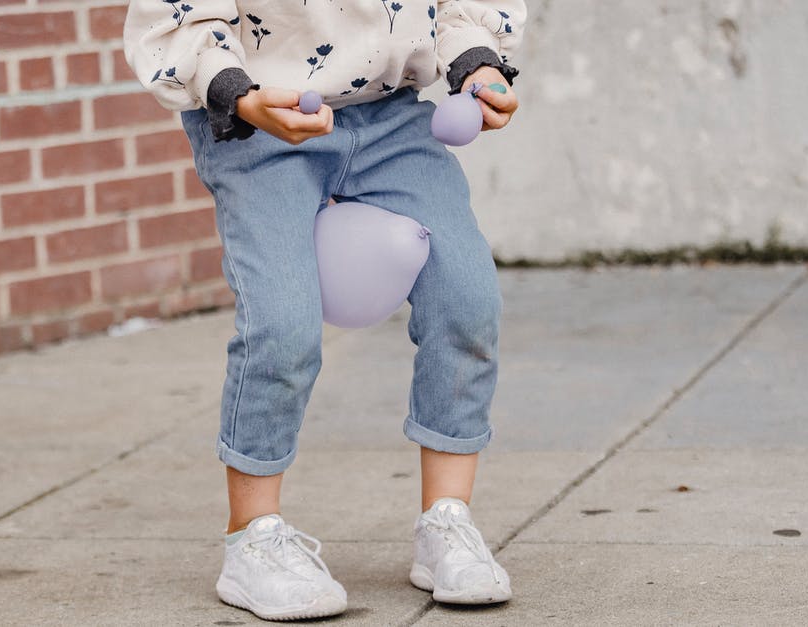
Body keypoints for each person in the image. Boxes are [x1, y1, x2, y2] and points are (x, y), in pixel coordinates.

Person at [123, 1, 526, 620]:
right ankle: (251, 540)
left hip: (393, 118)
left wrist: (476, 65)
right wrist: (238, 92)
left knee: (467, 298)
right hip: (260, 122)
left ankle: (448, 523)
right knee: (281, 327)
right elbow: (182, 15)